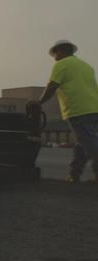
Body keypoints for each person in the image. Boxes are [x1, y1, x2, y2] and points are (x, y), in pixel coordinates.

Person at [30, 40, 98, 183]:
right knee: (83, 144)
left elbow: (52, 85)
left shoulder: (62, 64)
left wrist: (40, 102)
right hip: (94, 108)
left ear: (61, 51)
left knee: (90, 143)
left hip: (79, 110)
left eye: (55, 52)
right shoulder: (87, 66)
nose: (54, 56)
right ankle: (74, 175)